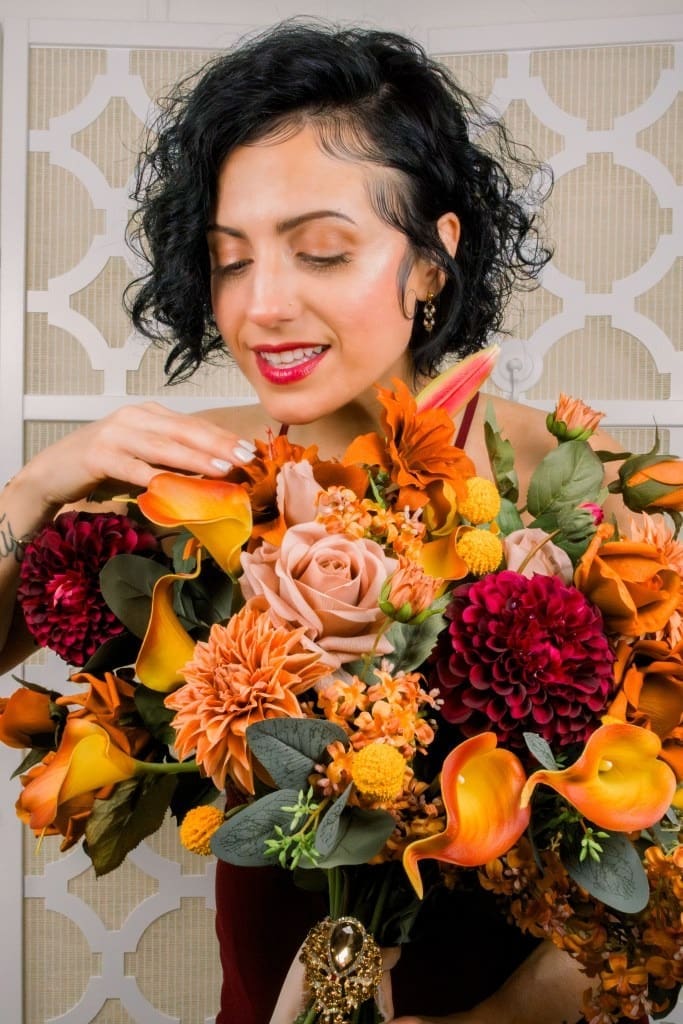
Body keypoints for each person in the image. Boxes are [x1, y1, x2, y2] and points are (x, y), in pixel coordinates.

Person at [0, 21, 624, 1024]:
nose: (262, 306)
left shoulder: (571, 487)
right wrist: (36, 488)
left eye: (321, 252)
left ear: (431, 259)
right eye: (229, 260)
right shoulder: (183, 479)